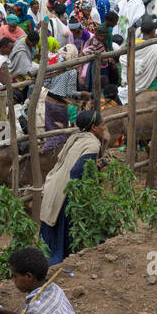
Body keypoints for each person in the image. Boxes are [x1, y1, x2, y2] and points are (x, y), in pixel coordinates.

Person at [38, 109, 105, 264]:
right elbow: (76, 171)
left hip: (54, 185)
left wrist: (94, 167)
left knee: (49, 237)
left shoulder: (75, 138)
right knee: (66, 234)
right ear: (93, 128)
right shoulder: (92, 144)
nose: (104, 128)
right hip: (66, 192)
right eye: (102, 125)